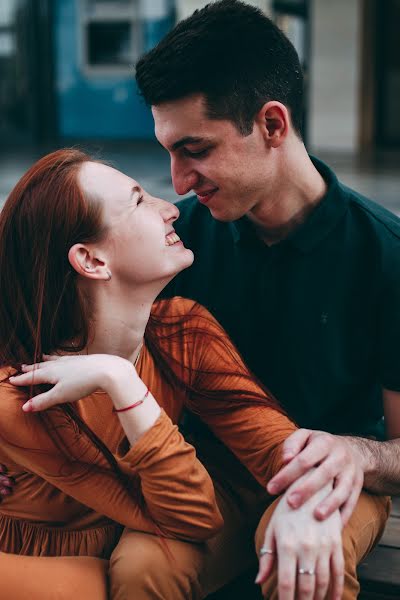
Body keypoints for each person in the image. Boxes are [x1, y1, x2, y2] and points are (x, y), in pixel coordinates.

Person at [134, 0, 399, 597]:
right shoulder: (174, 241)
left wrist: (356, 454)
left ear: (272, 125)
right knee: (142, 568)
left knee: (300, 563)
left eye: (195, 150)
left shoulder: (386, 254)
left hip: (330, 478)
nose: (176, 183)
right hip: (208, 474)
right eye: (168, 151)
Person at [0, 148, 344, 600]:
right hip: (34, 567)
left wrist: (327, 478)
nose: (169, 210)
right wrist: (122, 382)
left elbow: (275, 453)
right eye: (140, 201)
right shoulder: (25, 394)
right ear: (92, 261)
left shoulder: (180, 330)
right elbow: (190, 517)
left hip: (128, 547)